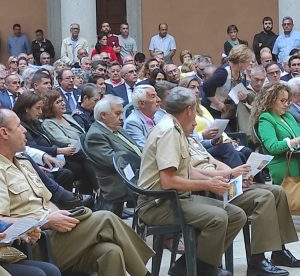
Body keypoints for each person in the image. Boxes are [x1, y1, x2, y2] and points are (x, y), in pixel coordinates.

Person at [0, 108, 154, 276]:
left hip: (56, 233)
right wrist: (45, 221)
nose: (24, 130)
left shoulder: (23, 161)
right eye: (18, 126)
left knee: (110, 251)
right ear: (4, 133)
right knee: (106, 218)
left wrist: (60, 218)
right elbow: (1, 220)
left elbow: (47, 200)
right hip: (33, 242)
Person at [138, 86, 246, 276]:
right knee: (218, 217)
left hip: (174, 198)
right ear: (189, 109)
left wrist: (217, 178)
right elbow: (168, 181)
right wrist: (208, 185)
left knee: (236, 215)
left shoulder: (175, 127)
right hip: (158, 204)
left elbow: (188, 170)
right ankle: (203, 270)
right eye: (195, 109)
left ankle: (189, 267)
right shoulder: (169, 131)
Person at [188, 135, 300, 276]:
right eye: (192, 118)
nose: (195, 124)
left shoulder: (192, 140)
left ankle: (279, 251)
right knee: (264, 197)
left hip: (224, 182)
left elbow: (215, 161)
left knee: (277, 191)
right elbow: (190, 173)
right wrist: (226, 175)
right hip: (211, 190)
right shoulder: (175, 141)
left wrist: (235, 176)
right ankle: (257, 261)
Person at [81, 95, 142, 216]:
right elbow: (117, 163)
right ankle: (162, 228)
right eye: (117, 113)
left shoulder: (115, 128)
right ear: (103, 115)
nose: (121, 118)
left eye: (122, 113)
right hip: (119, 182)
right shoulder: (96, 135)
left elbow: (136, 149)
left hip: (135, 173)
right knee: (168, 186)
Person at [179, 75, 252, 168]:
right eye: (192, 88)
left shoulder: (201, 108)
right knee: (227, 148)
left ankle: (251, 179)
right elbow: (189, 139)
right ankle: (240, 179)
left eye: (198, 87)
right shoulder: (184, 111)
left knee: (245, 151)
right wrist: (204, 136)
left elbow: (216, 126)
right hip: (197, 147)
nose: (197, 91)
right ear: (183, 90)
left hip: (212, 142)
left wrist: (226, 139)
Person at [249, 82, 300, 184]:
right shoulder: (266, 118)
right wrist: (294, 142)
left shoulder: (288, 116)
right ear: (271, 101)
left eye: (287, 101)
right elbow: (272, 147)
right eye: (282, 101)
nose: (286, 104)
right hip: (284, 165)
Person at [203, 45, 254, 131]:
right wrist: (218, 103)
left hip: (229, 111)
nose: (250, 63)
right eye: (249, 61)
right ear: (242, 61)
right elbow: (206, 86)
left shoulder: (241, 74)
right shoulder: (223, 72)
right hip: (214, 111)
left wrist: (243, 97)